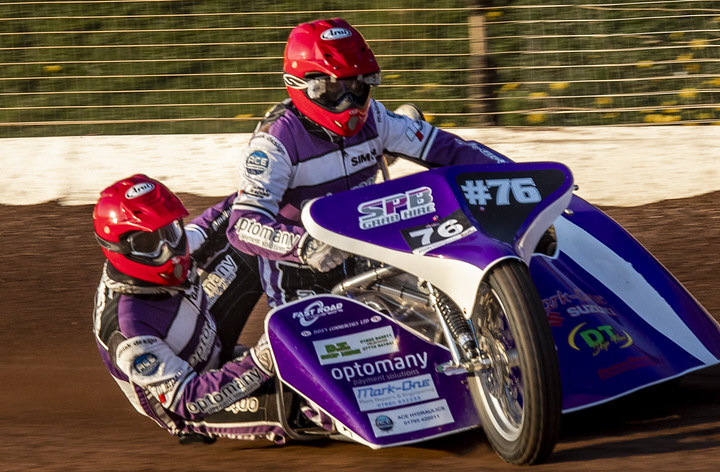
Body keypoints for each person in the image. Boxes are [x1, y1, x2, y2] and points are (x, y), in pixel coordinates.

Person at [227, 18, 513, 307]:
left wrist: (517, 179)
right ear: (302, 85)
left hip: (371, 262)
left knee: (450, 307)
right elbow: (242, 226)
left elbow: (453, 150)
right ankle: (260, 355)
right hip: (302, 280)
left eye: (357, 85)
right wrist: (304, 245)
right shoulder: (274, 143)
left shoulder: (377, 118)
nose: (349, 102)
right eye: (334, 90)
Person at [92, 174, 317, 444]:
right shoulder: (128, 332)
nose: (168, 251)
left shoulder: (180, 245)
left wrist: (280, 188)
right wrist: (262, 361)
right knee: (305, 404)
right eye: (148, 244)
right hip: (190, 399)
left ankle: (332, 297)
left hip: (208, 336)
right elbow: (188, 400)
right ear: (118, 249)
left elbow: (233, 213)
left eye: (170, 231)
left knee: (255, 236)